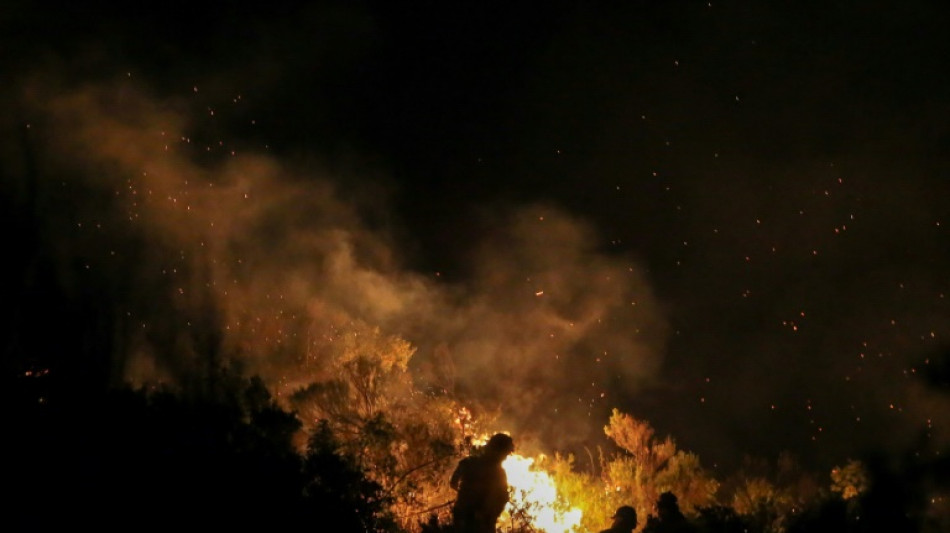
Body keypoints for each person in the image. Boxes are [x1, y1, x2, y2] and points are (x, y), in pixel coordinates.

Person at [450, 433, 515, 533]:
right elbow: (503, 498)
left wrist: (463, 495)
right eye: (505, 454)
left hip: (462, 518)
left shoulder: (468, 462)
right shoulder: (498, 473)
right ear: (499, 452)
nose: (505, 458)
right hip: (481, 524)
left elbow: (453, 483)